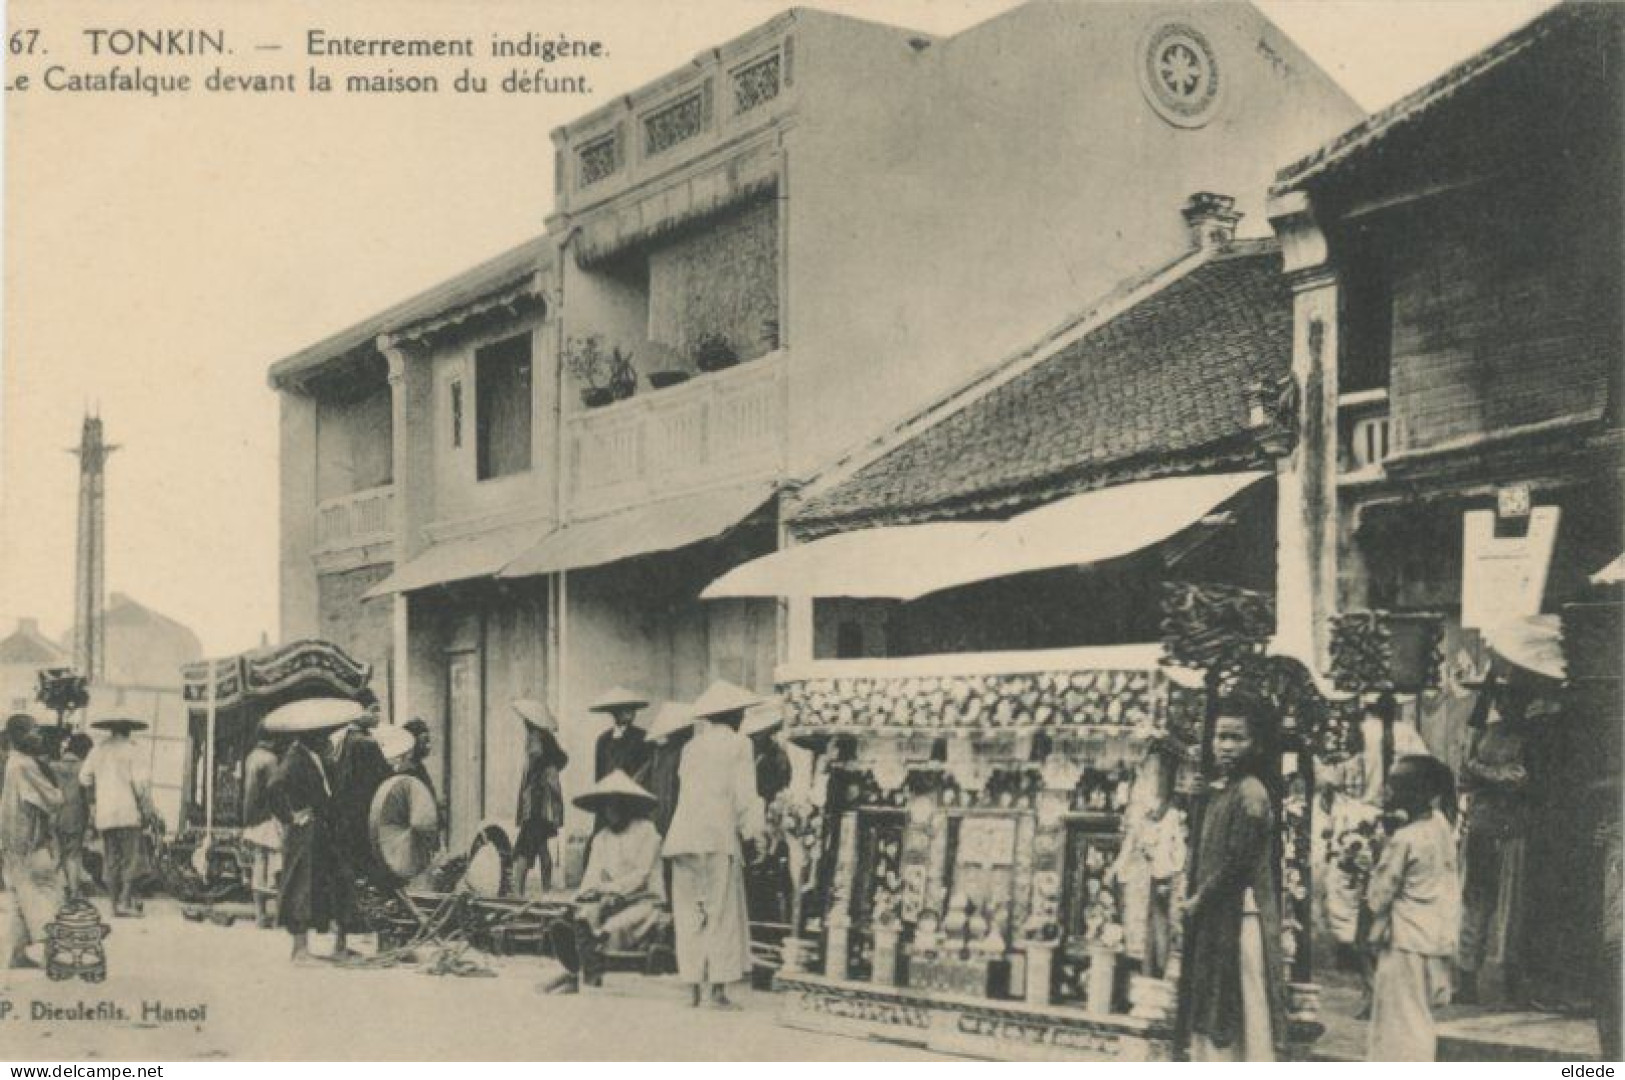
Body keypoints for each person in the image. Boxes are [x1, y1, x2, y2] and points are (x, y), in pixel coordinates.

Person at [1181, 698, 1285, 1062]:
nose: (1225, 746)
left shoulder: (1252, 794)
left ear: (1255, 743)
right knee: (1211, 996)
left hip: (1241, 915)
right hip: (1215, 913)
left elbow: (1238, 864)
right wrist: (1198, 800)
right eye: (1220, 737)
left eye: (1235, 738)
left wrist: (1199, 899)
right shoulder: (1221, 789)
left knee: (1243, 1002)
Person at [662, 680, 767, 1009]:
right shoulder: (740, 745)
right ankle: (717, 990)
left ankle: (693, 986)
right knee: (720, 912)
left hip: (683, 837)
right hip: (718, 837)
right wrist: (755, 834)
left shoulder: (691, 748)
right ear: (734, 716)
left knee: (689, 911)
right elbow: (744, 795)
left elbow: (684, 791)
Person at [1366, 755, 1461, 1061]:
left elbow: (1378, 896)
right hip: (1434, 937)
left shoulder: (1404, 839)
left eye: (1397, 786)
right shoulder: (1441, 826)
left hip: (1405, 940)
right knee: (1419, 1017)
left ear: (1418, 792)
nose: (1390, 792)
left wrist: (1377, 855)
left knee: (1399, 1023)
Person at [546, 770, 667, 992]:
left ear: (626, 805)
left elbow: (642, 875)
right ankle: (581, 973)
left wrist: (610, 890)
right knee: (581, 917)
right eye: (605, 806)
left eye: (615, 805)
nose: (610, 812)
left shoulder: (647, 833)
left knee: (610, 929)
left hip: (644, 902)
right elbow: (592, 875)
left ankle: (579, 976)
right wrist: (581, 897)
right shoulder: (602, 838)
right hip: (608, 901)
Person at [264, 697, 357, 964]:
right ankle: (299, 950)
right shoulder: (296, 758)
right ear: (313, 736)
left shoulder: (312, 756)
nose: (328, 740)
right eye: (324, 735)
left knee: (316, 884)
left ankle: (313, 947)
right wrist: (290, 816)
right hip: (304, 833)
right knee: (300, 886)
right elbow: (274, 787)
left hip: (317, 830)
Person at [1456, 673, 1529, 1004]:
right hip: (1486, 825)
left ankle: (1508, 977)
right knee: (1477, 899)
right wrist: (1481, 772)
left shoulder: (1530, 739)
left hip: (1512, 827)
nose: (1506, 705)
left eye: (1512, 698)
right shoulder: (1487, 734)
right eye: (1503, 699)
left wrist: (1479, 770)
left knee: (1510, 904)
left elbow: (1518, 779)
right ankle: (1467, 975)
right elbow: (1465, 776)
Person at [0, 713, 63, 969]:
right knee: (49, 894)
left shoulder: (12, 763)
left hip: (13, 843)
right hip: (30, 843)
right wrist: (56, 788)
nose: (39, 735)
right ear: (19, 735)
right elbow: (53, 800)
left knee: (19, 898)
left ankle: (16, 952)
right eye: (33, 730)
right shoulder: (25, 765)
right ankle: (51, 953)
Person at [327, 694, 392, 933]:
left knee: (349, 869)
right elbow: (384, 779)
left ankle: (344, 924)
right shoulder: (366, 743)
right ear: (359, 712)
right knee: (369, 867)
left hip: (345, 815)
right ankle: (368, 920)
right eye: (374, 710)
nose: (378, 716)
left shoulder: (344, 739)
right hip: (363, 815)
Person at [79, 717, 157, 917]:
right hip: (127, 811)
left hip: (105, 812)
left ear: (111, 730)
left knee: (111, 858)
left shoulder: (98, 750)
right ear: (129, 730)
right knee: (131, 858)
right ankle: (125, 902)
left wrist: (95, 800)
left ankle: (113, 905)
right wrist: (148, 810)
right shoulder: (134, 750)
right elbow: (141, 786)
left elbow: (84, 777)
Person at [513, 699, 569, 897]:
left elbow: (543, 773)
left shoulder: (536, 739)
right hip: (544, 808)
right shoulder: (546, 744)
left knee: (523, 850)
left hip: (536, 807)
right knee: (542, 848)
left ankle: (518, 894)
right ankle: (546, 892)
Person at [241, 733, 284, 929]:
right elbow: (276, 790)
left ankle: (260, 915)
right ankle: (277, 917)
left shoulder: (252, 756)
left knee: (259, 863)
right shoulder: (271, 759)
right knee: (276, 865)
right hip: (269, 816)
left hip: (253, 816)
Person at [51, 732, 92, 901]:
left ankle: (56, 890)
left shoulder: (52, 766)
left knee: (55, 853)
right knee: (73, 855)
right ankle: (74, 892)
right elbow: (89, 797)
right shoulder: (84, 768)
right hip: (76, 814)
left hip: (54, 813)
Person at [590, 687, 652, 784]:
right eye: (625, 709)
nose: (630, 713)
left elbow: (647, 771)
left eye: (632, 709)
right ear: (614, 712)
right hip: (609, 792)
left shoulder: (642, 737)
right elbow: (600, 774)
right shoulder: (603, 740)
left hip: (633, 791)